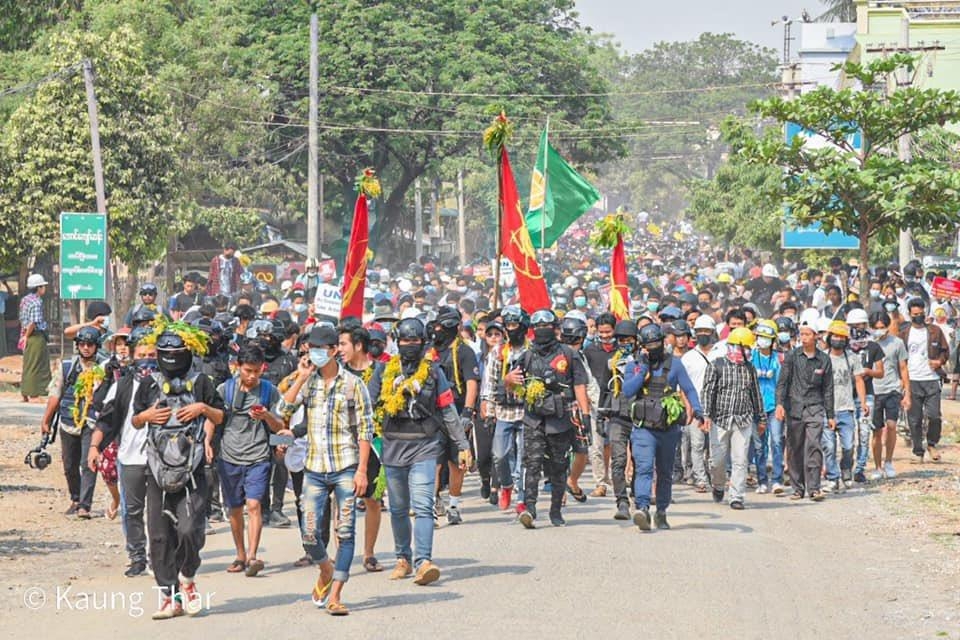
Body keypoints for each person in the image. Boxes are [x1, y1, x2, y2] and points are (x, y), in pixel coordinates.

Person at [130, 323, 225, 620]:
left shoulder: (201, 382)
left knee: (189, 529)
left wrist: (202, 409)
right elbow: (134, 421)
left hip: (193, 468)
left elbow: (221, 414)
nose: (170, 359)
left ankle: (187, 578)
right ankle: (169, 596)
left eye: (176, 353)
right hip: (157, 470)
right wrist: (145, 416)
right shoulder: (149, 383)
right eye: (165, 353)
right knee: (158, 536)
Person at [368, 318, 471, 584]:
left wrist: (463, 444)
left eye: (415, 341)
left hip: (425, 446)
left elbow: (448, 411)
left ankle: (424, 561)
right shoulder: (382, 372)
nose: (410, 345)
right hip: (392, 447)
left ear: (423, 342)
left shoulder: (435, 372)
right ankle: (403, 558)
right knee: (399, 509)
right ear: (397, 342)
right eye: (405, 341)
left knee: (423, 506)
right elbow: (367, 409)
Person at [206, 344, 285, 578]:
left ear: (263, 369)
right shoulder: (224, 390)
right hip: (229, 456)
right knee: (234, 509)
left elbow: (281, 425)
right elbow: (213, 417)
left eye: (256, 371)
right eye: (247, 370)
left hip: (259, 456)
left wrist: (266, 416)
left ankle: (252, 556)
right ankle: (239, 554)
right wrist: (207, 441)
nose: (252, 376)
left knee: (254, 505)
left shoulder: (270, 391)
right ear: (237, 366)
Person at [89, 327, 157, 577]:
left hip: (162, 459)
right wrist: (95, 447)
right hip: (130, 457)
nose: (147, 358)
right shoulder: (122, 386)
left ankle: (159, 555)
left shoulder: (169, 385)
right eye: (142, 354)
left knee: (160, 511)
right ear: (132, 355)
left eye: (152, 353)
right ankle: (137, 557)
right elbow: (106, 420)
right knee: (132, 511)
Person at [622, 323, 702, 530]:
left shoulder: (675, 364)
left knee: (665, 472)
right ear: (642, 345)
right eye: (649, 345)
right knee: (644, 468)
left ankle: (662, 511)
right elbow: (628, 390)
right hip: (644, 428)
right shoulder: (634, 365)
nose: (654, 347)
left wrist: (698, 409)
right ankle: (642, 508)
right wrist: (643, 372)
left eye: (657, 343)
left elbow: (689, 389)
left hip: (668, 427)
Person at [516, 308, 591, 529]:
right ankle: (529, 508)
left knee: (558, 467)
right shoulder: (527, 355)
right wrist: (510, 379)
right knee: (533, 463)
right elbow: (512, 383)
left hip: (561, 418)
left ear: (555, 328)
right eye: (537, 327)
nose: (542, 330)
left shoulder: (568, 354)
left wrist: (585, 415)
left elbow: (579, 385)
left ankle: (556, 510)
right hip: (534, 418)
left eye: (546, 326)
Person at [40, 326, 107, 518]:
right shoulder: (67, 367)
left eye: (90, 344)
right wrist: (46, 420)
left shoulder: (104, 368)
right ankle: (76, 498)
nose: (86, 348)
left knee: (89, 462)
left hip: (92, 423)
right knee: (69, 464)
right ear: (77, 345)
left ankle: (85, 505)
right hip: (68, 422)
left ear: (97, 346)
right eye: (82, 344)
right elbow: (55, 395)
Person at [338, 323, 387, 573]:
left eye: (343, 344)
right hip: (342, 442)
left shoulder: (381, 371)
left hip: (374, 443)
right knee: (341, 500)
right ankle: (341, 552)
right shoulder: (336, 373)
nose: (339, 349)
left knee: (372, 500)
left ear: (359, 346)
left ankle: (368, 553)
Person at [430, 306, 480, 525]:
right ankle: (431, 501)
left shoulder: (464, 351)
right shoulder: (430, 351)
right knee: (433, 461)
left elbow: (471, 383)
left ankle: (453, 505)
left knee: (457, 461)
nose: (439, 329)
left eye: (443, 325)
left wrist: (468, 412)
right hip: (432, 413)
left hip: (457, 411)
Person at [776, 320, 835, 502]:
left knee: (814, 445)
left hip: (815, 407)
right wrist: (780, 404)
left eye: (808, 334)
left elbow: (828, 389)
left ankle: (814, 488)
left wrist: (830, 415)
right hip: (794, 407)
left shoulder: (824, 360)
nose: (804, 337)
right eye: (802, 334)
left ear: (816, 336)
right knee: (795, 447)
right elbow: (783, 383)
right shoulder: (792, 356)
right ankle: (797, 488)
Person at [482, 306, 529, 512]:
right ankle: (506, 485)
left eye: (514, 324)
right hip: (504, 411)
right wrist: (488, 408)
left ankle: (522, 498)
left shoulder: (532, 351)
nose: (511, 329)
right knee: (499, 455)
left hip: (527, 411)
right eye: (508, 325)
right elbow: (489, 383)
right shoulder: (498, 352)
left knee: (524, 458)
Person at [899, 298, 949, 463]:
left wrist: (939, 362)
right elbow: (898, 358)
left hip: (931, 378)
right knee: (914, 418)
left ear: (925, 313)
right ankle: (917, 451)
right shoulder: (904, 333)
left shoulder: (935, 331)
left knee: (934, 416)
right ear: (910, 314)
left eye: (920, 314)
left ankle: (932, 443)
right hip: (912, 380)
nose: (918, 317)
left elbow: (945, 351)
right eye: (915, 314)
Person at [821, 321, 867, 493]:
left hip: (846, 408)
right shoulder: (822, 357)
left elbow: (859, 380)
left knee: (848, 446)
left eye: (841, 336)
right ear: (829, 337)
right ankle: (832, 478)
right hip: (827, 410)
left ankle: (846, 470)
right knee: (829, 446)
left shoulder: (851, 358)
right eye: (835, 335)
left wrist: (862, 403)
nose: (838, 339)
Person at [869, 311, 910, 479]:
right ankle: (878, 467)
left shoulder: (897, 343)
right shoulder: (867, 344)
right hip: (874, 391)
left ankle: (889, 462)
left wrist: (907, 391)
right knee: (877, 431)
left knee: (891, 425)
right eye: (876, 328)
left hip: (893, 389)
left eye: (882, 327)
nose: (880, 330)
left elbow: (903, 368)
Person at [581, 312, 618, 499]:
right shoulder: (589, 351)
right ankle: (600, 482)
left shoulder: (622, 350)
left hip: (619, 403)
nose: (604, 336)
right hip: (595, 403)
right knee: (595, 445)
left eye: (608, 332)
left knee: (617, 444)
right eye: (601, 332)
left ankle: (619, 478)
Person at [681, 314, 716, 492]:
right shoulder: (688, 357)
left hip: (718, 406)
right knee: (697, 444)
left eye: (706, 331)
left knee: (716, 445)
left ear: (713, 332)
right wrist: (687, 406)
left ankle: (716, 477)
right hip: (696, 405)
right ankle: (700, 479)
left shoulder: (721, 352)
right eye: (699, 331)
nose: (703, 334)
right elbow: (682, 385)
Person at [750, 319, 785, 494]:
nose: (762, 340)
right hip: (756, 407)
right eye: (760, 337)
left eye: (766, 337)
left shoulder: (778, 358)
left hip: (773, 406)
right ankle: (762, 480)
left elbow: (781, 383)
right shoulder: (750, 356)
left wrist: (781, 404)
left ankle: (777, 479)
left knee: (777, 441)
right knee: (759, 445)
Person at [19, 273, 52, 402]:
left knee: (28, 363)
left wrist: (23, 336)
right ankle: (34, 394)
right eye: (43, 286)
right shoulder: (36, 302)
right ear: (38, 288)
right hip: (35, 335)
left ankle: (25, 393)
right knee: (36, 364)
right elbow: (33, 322)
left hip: (26, 333)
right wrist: (27, 336)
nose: (44, 289)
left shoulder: (25, 299)